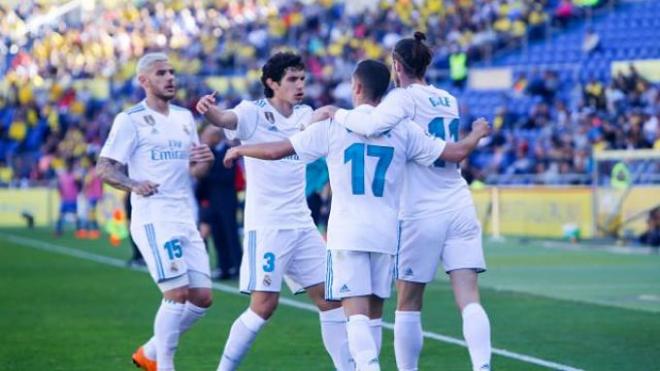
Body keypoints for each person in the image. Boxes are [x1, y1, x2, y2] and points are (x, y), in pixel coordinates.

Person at [222, 59, 491, 371]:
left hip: (347, 233)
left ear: (357, 87)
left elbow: (278, 151)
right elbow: (453, 153)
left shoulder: (334, 126)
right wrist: (475, 135)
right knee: (374, 314)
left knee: (355, 315)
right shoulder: (403, 129)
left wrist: (242, 150)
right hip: (386, 233)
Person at [321, 32, 493, 371]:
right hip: (458, 201)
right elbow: (457, 150)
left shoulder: (401, 99)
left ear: (397, 66)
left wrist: (333, 113)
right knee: (469, 296)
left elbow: (370, 124)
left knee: (409, 302)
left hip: (419, 209)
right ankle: (482, 365)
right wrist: (476, 134)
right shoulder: (447, 98)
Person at [196, 52, 352, 371]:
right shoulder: (253, 112)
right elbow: (225, 120)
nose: (300, 86)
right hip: (268, 226)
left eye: (302, 79)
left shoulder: (304, 114)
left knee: (331, 301)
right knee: (264, 306)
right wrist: (209, 111)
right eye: (292, 80)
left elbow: (320, 117)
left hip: (302, 225)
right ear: (272, 83)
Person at [97, 52, 215, 371]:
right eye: (161, 73)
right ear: (144, 81)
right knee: (176, 292)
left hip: (183, 214)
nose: (170, 78)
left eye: (172, 72)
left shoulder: (184, 118)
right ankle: (164, 365)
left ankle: (149, 352)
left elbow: (196, 171)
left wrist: (204, 159)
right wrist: (133, 183)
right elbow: (105, 168)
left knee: (202, 297)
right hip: (154, 216)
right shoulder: (130, 120)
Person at [195, 125, 242, 280]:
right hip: (212, 202)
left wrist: (204, 175)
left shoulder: (229, 152)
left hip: (227, 201)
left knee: (231, 234)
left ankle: (239, 267)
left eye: (208, 136)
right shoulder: (210, 153)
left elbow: (227, 178)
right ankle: (224, 267)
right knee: (217, 236)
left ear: (216, 137)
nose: (205, 139)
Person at [55, 157, 82, 237]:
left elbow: (80, 184)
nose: (69, 167)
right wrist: (61, 193)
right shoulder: (62, 176)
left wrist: (77, 192)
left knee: (74, 214)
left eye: (70, 166)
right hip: (65, 199)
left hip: (72, 198)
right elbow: (59, 186)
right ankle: (58, 230)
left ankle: (79, 230)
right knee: (61, 215)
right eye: (68, 166)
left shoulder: (74, 176)